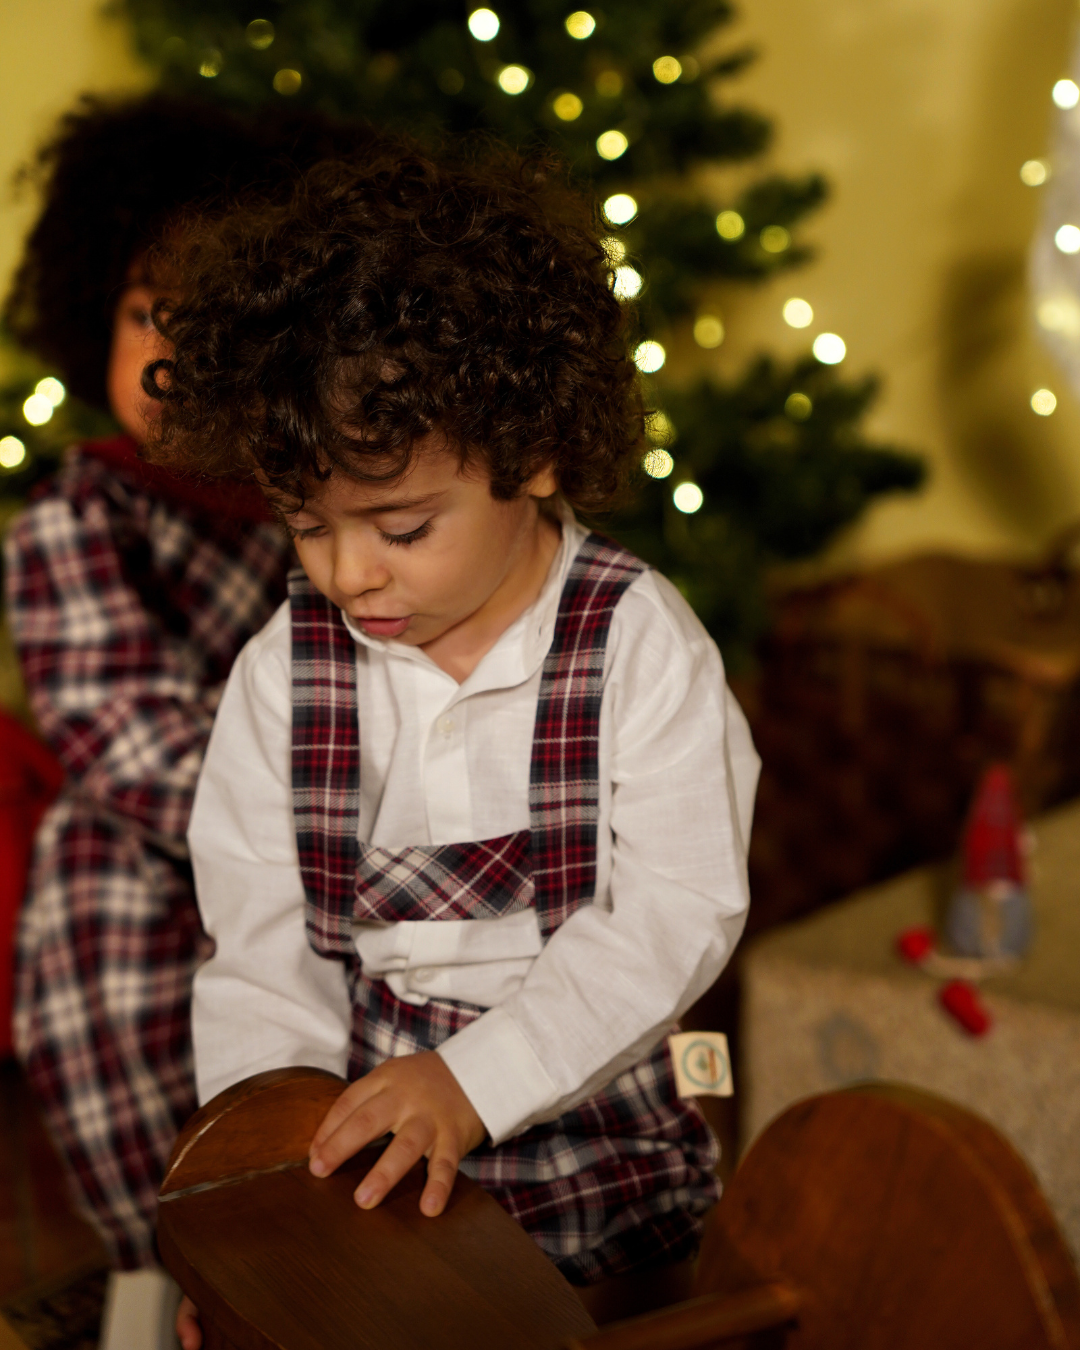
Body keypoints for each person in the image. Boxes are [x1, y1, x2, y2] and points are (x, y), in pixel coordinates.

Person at [145, 133, 759, 1345]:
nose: (348, 572)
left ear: (530, 454)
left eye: (402, 526)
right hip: (366, 1124)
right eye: (307, 527)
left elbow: (674, 912)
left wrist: (475, 1085)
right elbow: (266, 948)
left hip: (594, 1122)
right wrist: (268, 1181)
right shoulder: (286, 674)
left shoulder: (637, 644)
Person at [2, 93, 372, 1350]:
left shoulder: (326, 504)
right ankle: (161, 1262)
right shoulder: (77, 518)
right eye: (144, 315)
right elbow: (121, 734)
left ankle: (338, 1245)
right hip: (162, 841)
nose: (168, 359)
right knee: (98, 924)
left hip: (346, 836)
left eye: (207, 326)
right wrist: (301, 836)